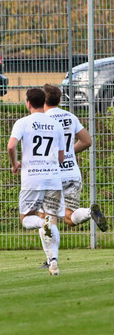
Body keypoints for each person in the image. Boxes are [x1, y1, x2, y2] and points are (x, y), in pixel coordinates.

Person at [7, 87, 65, 276]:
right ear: (44, 102)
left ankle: (43, 225)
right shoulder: (56, 124)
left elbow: (11, 146)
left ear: (28, 103)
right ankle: (53, 261)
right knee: (51, 219)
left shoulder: (23, 122)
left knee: (26, 219)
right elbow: (61, 157)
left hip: (32, 178)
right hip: (53, 178)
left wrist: (15, 163)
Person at [42, 84, 107, 240]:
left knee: (47, 217)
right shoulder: (70, 117)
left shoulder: (42, 120)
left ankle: (51, 259)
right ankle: (88, 212)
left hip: (52, 175)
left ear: (42, 100)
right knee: (69, 218)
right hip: (72, 173)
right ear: (59, 99)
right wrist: (69, 153)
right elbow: (86, 141)